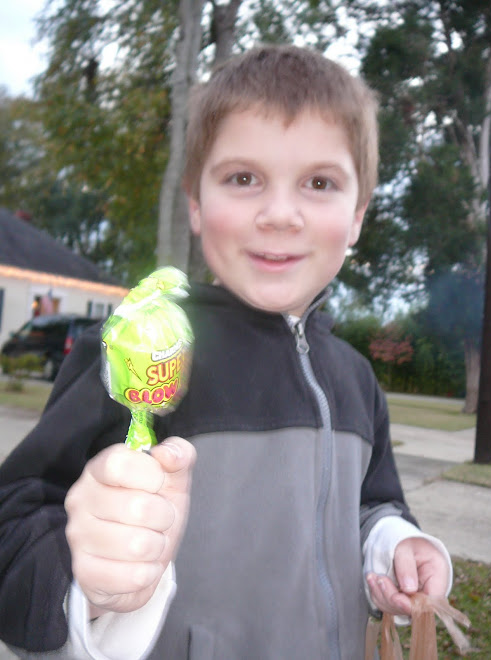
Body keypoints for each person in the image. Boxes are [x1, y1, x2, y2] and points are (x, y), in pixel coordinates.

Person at [0, 44, 451, 660]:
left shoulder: (357, 378)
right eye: (244, 178)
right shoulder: (142, 349)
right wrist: (87, 582)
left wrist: (395, 544)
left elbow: (372, 504)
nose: (279, 214)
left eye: (319, 183)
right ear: (195, 202)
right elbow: (15, 522)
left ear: (357, 217)